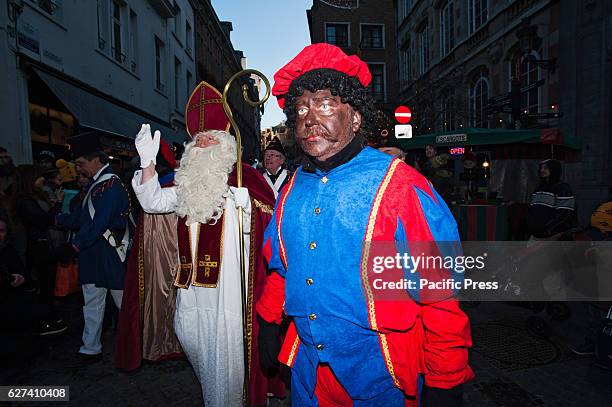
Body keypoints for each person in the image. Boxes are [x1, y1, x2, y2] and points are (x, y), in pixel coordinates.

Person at [256, 43, 473, 406]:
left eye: (324, 104)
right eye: (301, 108)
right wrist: (266, 321)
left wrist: (446, 380)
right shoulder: (292, 187)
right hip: (308, 374)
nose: (309, 117)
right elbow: (282, 267)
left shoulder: (402, 186)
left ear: (354, 118)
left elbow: (440, 293)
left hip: (381, 379)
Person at [131, 81, 285, 407]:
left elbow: (266, 224)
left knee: (226, 354)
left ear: (226, 148)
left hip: (229, 290)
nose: (201, 147)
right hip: (191, 286)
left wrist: (247, 205)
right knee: (192, 337)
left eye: (209, 141)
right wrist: (147, 163)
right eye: (196, 143)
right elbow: (153, 202)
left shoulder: (245, 182)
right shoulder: (185, 184)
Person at [55, 135, 131, 361]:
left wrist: (75, 246)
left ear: (95, 160)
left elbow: (100, 222)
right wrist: (58, 218)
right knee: (92, 303)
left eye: (80, 164)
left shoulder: (111, 184)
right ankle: (90, 347)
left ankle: (138, 345)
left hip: (109, 252)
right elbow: (81, 218)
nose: (78, 169)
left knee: (123, 303)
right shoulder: (97, 184)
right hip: (93, 253)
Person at [115, 139, 184, 371]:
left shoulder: (178, 183)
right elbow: (151, 202)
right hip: (162, 252)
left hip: (169, 252)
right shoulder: (165, 184)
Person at [527, 159, 577, 240]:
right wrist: (531, 226)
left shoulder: (562, 188)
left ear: (554, 169)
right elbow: (532, 210)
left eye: (546, 168)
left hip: (553, 236)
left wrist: (548, 229)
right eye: (541, 168)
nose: (542, 170)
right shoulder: (538, 189)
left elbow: (565, 214)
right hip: (535, 235)